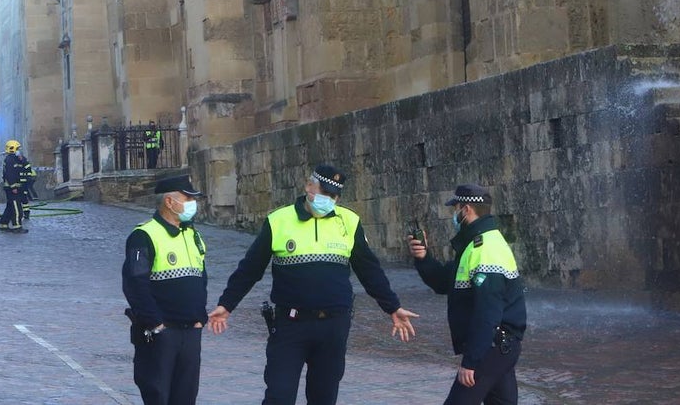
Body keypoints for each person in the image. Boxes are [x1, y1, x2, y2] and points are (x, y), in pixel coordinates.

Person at [208, 163, 418, 405]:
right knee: (279, 396)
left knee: (324, 398)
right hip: (291, 325)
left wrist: (392, 306)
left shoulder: (349, 221)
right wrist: (227, 304)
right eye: (323, 192)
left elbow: (369, 271)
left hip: (333, 326)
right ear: (309, 186)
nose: (327, 199)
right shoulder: (279, 221)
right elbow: (250, 269)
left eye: (333, 196)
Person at [408, 183, 527, 405]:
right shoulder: (473, 244)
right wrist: (423, 258)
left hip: (491, 347)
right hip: (498, 346)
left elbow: (487, 312)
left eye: (456, 209)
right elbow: (444, 282)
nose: (455, 214)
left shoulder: (485, 250)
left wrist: (471, 362)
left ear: (467, 209)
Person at [122, 175, 208, 405]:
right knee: (158, 395)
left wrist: (200, 317)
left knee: (186, 397)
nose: (192, 203)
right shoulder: (144, 235)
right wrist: (155, 323)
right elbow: (135, 283)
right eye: (187, 198)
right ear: (169, 202)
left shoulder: (192, 234)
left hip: (190, 332)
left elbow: (201, 277)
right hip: (161, 333)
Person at [0, 139, 28, 233]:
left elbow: (25, 166)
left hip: (16, 187)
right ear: (12, 149)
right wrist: (13, 187)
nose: (19, 150)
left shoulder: (16, 159)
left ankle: (3, 224)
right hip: (12, 188)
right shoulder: (9, 160)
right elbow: (9, 175)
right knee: (16, 208)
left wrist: (22, 159)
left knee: (10, 207)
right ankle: (17, 226)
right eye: (18, 149)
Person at [19, 149, 37, 221]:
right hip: (18, 183)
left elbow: (28, 172)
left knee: (24, 199)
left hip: (24, 183)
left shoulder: (25, 162)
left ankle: (26, 213)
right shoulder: (15, 162)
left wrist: (26, 179)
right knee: (17, 200)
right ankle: (18, 213)